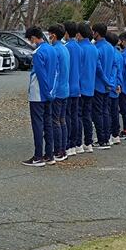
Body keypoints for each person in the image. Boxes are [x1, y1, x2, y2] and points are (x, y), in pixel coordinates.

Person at [23, 27, 56, 167]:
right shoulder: (52, 50)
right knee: (48, 123)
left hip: (38, 94)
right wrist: (51, 92)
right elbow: (56, 72)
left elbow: (40, 76)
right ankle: (49, 154)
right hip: (50, 92)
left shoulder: (38, 53)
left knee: (37, 125)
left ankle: (38, 156)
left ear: (33, 38)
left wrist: (45, 92)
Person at [49, 24, 70, 161]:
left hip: (57, 91)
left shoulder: (55, 50)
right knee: (62, 120)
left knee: (55, 121)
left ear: (54, 35)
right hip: (65, 89)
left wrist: (51, 92)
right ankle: (63, 149)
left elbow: (55, 73)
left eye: (49, 34)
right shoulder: (65, 48)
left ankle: (58, 150)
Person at [92, 23, 114, 150]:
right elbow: (114, 66)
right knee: (106, 111)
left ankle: (101, 139)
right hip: (108, 85)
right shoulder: (111, 47)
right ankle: (106, 137)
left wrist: (106, 81)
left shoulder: (97, 48)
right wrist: (110, 82)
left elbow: (98, 69)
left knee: (98, 113)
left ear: (97, 33)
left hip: (99, 84)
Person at [77, 23, 97, 154]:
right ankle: (88, 142)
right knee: (87, 116)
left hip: (80, 87)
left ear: (79, 34)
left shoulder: (80, 48)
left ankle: (78, 143)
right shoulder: (94, 48)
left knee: (78, 116)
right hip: (91, 86)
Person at [63, 22, 82, 156]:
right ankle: (76, 143)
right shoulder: (79, 47)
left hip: (68, 86)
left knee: (67, 117)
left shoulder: (67, 47)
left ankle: (68, 144)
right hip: (77, 85)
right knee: (76, 116)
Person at [105, 32, 122, 145]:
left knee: (108, 112)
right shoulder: (119, 53)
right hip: (116, 85)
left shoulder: (110, 53)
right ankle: (115, 134)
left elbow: (113, 71)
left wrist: (110, 85)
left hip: (110, 86)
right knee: (114, 111)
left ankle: (110, 134)